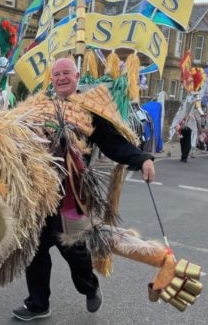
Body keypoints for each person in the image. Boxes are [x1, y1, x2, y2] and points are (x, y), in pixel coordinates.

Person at [12, 58, 155, 321]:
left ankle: (90, 287)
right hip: (38, 195)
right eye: (57, 74)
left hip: (73, 194)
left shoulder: (89, 109)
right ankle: (38, 303)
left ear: (77, 76)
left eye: (66, 73)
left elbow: (114, 143)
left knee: (74, 250)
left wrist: (142, 159)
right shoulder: (39, 107)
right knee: (34, 249)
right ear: (51, 79)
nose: (61, 78)